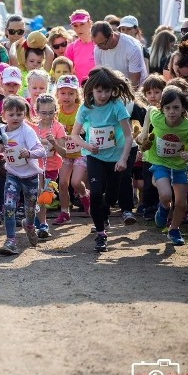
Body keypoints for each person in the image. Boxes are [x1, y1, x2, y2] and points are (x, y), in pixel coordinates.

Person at [70, 67, 133, 252]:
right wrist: (88, 147)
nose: (103, 95)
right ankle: (100, 234)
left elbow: (129, 137)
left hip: (115, 158)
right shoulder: (86, 108)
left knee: (111, 197)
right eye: (99, 91)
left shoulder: (116, 106)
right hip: (95, 156)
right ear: (91, 90)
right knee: (96, 193)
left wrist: (123, 159)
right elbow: (74, 135)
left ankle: (103, 215)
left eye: (107, 90)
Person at [140, 86, 188, 245]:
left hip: (179, 166)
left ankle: (174, 229)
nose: (171, 111)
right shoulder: (158, 118)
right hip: (159, 163)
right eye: (167, 108)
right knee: (166, 195)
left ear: (182, 108)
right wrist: (145, 132)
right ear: (162, 108)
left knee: (181, 203)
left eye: (176, 107)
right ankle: (164, 208)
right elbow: (150, 109)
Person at [0, 95, 45, 256]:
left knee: (30, 209)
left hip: (30, 176)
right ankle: (10, 240)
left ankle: (30, 226)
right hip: (12, 173)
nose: (16, 117)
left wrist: (29, 153)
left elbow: (41, 151)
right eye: (11, 114)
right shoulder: (2, 132)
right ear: (4, 115)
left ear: (25, 114)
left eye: (19, 114)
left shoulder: (27, 131)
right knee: (9, 206)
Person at [54, 74, 90, 225]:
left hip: (81, 151)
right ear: (57, 94)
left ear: (77, 94)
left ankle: (85, 195)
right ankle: (64, 212)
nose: (66, 97)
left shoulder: (81, 110)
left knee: (75, 182)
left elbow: (91, 126)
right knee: (62, 183)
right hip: (64, 153)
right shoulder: (56, 111)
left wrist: (84, 130)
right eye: (63, 93)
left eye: (71, 93)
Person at [30, 93, 66, 239]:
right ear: (37, 112)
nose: (47, 116)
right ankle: (42, 224)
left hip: (51, 168)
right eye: (43, 113)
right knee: (37, 194)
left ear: (56, 111)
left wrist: (54, 143)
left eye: (51, 112)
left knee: (45, 197)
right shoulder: (31, 127)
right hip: (34, 167)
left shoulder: (58, 128)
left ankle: (37, 222)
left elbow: (64, 153)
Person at [91, 21, 148, 88]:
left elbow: (135, 81)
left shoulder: (132, 47)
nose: (99, 47)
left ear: (111, 35)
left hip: (135, 90)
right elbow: (100, 75)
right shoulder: (97, 49)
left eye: (102, 44)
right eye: (96, 44)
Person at [64, 9, 95, 85]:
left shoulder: (100, 44)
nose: (79, 28)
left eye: (82, 24)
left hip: (101, 90)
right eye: (75, 26)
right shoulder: (71, 48)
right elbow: (66, 73)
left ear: (89, 23)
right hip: (80, 91)